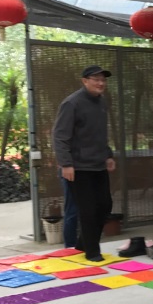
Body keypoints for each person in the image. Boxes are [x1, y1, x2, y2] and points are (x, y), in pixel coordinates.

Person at [52, 65, 116, 262]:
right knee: (87, 210)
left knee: (105, 206)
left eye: (103, 80)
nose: (101, 83)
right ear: (85, 81)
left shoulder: (101, 102)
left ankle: (83, 244)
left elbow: (100, 135)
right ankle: (92, 251)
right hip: (78, 167)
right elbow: (60, 136)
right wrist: (66, 164)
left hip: (98, 164)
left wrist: (108, 155)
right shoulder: (72, 103)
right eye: (96, 79)